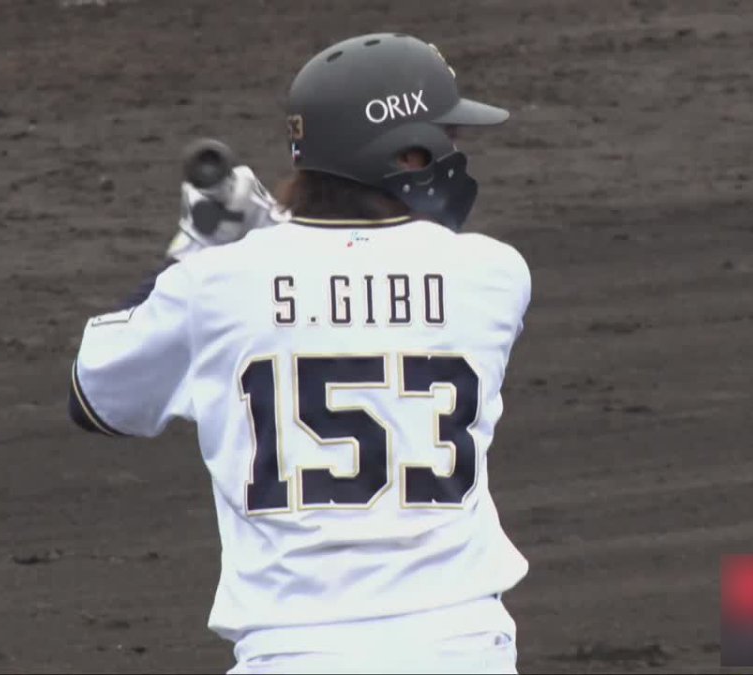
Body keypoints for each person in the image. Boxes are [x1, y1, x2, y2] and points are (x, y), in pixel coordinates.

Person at [68, 33, 532, 674]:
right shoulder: (493, 275)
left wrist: (198, 248)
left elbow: (94, 398)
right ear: (408, 154)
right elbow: (369, 280)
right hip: (465, 649)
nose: (459, 157)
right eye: (448, 139)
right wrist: (270, 238)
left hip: (292, 655)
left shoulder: (213, 287)